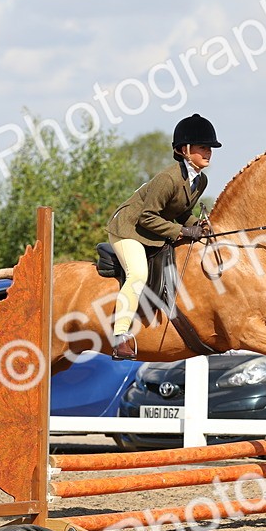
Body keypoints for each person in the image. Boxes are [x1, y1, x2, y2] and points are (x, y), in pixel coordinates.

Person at [105, 113, 221, 360]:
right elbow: (147, 216)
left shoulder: (201, 181)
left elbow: (183, 211)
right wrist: (183, 231)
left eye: (210, 147)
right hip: (129, 229)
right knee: (137, 274)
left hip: (153, 231)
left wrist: (198, 226)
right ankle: (120, 337)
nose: (208, 152)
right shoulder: (168, 178)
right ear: (185, 150)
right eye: (203, 147)